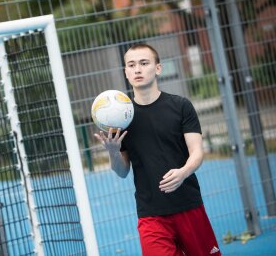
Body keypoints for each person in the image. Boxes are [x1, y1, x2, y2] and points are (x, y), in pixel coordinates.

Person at [94, 44, 221, 256]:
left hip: (188, 204)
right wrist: (113, 151)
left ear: (158, 68)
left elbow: (197, 152)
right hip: (151, 214)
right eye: (131, 65)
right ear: (125, 72)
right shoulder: (120, 118)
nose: (137, 69)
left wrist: (183, 172)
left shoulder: (181, 106)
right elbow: (122, 171)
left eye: (144, 63)